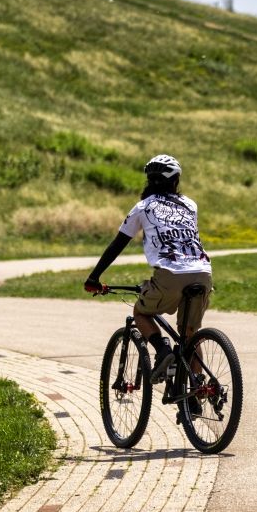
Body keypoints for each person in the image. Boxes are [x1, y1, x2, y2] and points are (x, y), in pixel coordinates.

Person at [84, 154, 213, 383]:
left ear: (149, 181)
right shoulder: (190, 205)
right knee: (190, 335)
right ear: (176, 181)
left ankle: (162, 350)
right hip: (203, 272)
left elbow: (118, 244)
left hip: (170, 274)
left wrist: (94, 277)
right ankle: (196, 391)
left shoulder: (143, 208)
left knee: (141, 313)